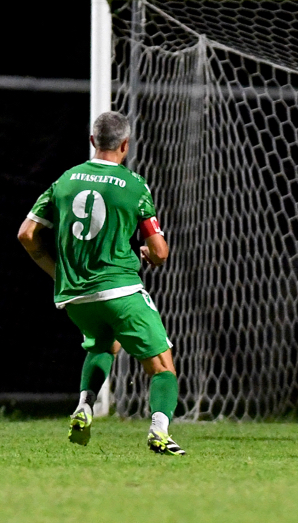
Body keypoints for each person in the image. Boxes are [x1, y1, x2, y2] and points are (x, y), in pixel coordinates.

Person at [16, 111, 185, 455]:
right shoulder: (134, 185)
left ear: (93, 141)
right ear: (125, 144)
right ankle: (160, 432)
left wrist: (57, 273)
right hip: (119, 288)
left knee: (104, 345)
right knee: (162, 366)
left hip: (76, 296)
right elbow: (160, 251)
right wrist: (149, 254)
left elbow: (27, 234)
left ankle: (84, 406)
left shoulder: (65, 180)